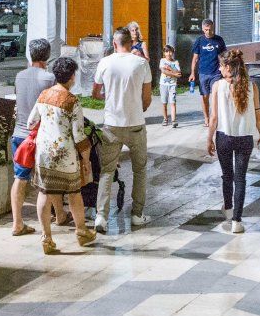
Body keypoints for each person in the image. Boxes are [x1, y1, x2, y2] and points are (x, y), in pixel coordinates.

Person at [28, 56, 97, 254]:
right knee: (74, 192)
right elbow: (79, 136)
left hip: (43, 154)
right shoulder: (72, 101)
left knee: (44, 193)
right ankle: (82, 231)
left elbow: (31, 123)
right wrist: (86, 161)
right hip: (65, 155)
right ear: (72, 77)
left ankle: (46, 238)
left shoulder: (43, 95)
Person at [93, 27, 154, 232]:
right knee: (139, 170)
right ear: (131, 43)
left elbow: (95, 92)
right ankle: (137, 214)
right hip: (136, 124)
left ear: (114, 43)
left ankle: (101, 216)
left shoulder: (105, 62)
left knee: (107, 171)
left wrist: (109, 99)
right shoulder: (141, 63)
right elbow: (147, 98)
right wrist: (139, 107)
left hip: (111, 125)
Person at [206, 49, 260, 234]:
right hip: (245, 138)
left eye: (220, 65)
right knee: (240, 179)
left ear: (227, 67)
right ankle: (237, 221)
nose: (219, 68)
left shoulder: (218, 86)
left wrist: (209, 139)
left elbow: (214, 118)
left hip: (224, 137)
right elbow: (258, 114)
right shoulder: (252, 86)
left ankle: (228, 209)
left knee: (227, 176)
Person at [11, 39, 55, 237]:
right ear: (47, 56)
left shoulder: (19, 76)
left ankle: (17, 223)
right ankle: (52, 221)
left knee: (20, 179)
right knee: (46, 181)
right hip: (40, 136)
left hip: (20, 136)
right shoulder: (49, 78)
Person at [190, 20, 227, 126]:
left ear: (213, 28)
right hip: (203, 73)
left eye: (210, 29)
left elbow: (224, 56)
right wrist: (192, 73)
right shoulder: (199, 41)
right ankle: (206, 118)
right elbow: (195, 59)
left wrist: (224, 71)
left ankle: (215, 117)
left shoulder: (219, 40)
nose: (208, 32)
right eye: (206, 30)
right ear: (202, 29)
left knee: (216, 95)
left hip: (216, 72)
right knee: (205, 96)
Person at [159, 45, 181, 128]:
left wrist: (170, 69)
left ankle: (173, 120)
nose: (169, 53)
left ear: (173, 52)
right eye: (167, 51)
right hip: (163, 84)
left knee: (173, 102)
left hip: (173, 85)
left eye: (170, 51)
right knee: (164, 103)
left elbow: (179, 73)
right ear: (164, 53)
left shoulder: (175, 62)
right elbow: (163, 71)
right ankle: (165, 119)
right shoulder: (162, 60)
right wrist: (174, 74)